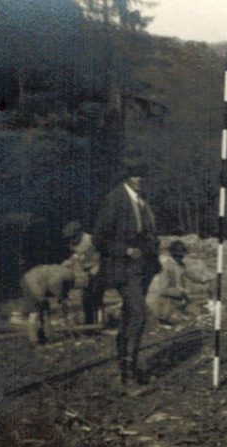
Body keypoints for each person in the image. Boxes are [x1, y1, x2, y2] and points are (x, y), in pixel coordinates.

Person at [93, 159, 161, 388]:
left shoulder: (142, 203)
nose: (139, 179)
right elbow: (99, 239)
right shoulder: (115, 200)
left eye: (142, 175)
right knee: (139, 314)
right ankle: (128, 373)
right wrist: (125, 250)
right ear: (126, 177)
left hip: (143, 269)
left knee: (131, 317)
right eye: (135, 175)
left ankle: (129, 366)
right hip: (122, 269)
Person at [146, 240, 213, 325]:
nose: (180, 258)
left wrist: (206, 279)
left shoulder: (181, 265)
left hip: (181, 300)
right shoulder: (167, 267)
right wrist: (179, 292)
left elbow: (191, 275)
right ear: (172, 254)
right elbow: (162, 290)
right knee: (179, 320)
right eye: (177, 255)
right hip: (168, 303)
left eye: (181, 255)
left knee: (199, 315)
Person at [61, 221, 101, 325]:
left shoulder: (90, 241)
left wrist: (92, 272)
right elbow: (76, 256)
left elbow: (99, 259)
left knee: (91, 297)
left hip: (95, 269)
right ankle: (77, 320)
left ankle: (93, 323)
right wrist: (69, 263)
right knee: (79, 297)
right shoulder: (73, 242)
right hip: (83, 269)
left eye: (73, 237)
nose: (72, 241)